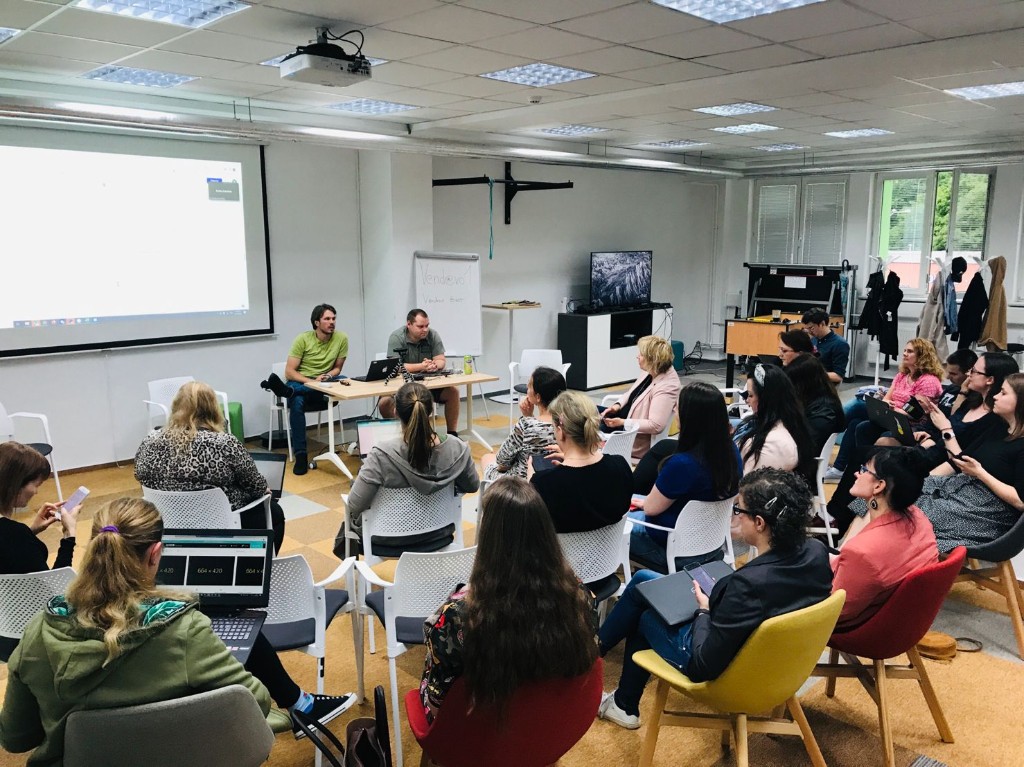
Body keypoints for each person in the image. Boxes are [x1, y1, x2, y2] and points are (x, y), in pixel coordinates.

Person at [0, 498, 354, 765]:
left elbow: (15, 738)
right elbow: (256, 701)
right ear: (156, 554)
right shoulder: (186, 630)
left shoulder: (38, 632)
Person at [596, 468, 833, 729]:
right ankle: (598, 657)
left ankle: (618, 695)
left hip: (731, 669)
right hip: (781, 663)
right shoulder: (816, 551)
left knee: (645, 612)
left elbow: (702, 666)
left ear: (759, 523)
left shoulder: (748, 584)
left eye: (738, 511)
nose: (735, 517)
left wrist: (704, 611)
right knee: (644, 582)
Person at [419, 477, 598, 724]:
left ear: (489, 535)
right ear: (545, 531)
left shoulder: (456, 616)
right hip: (549, 725)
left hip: (479, 736)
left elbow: (439, 700)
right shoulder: (579, 597)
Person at [135, 381, 286, 552]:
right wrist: (264, 490)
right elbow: (256, 486)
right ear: (213, 409)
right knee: (275, 511)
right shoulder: (224, 443)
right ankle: (261, 570)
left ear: (176, 408)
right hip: (224, 523)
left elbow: (139, 475)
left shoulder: (150, 440)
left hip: (169, 521)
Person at [335, 381, 479, 552]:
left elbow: (354, 504)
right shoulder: (457, 448)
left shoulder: (381, 454)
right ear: (431, 411)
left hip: (387, 538)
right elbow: (472, 485)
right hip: (439, 533)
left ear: (395, 412)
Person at [628, 383, 742, 573]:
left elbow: (651, 508)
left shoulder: (682, 464)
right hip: (711, 543)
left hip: (672, 546)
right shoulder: (731, 452)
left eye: (678, 407)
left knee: (608, 526)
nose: (674, 410)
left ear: (691, 418)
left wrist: (643, 502)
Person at [910, 372, 1024, 552]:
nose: (995, 396)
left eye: (1003, 393)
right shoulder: (999, 427)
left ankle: (870, 564)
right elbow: (959, 460)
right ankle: (858, 559)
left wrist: (980, 473)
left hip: (988, 512)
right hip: (962, 490)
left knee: (899, 507)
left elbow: (1020, 501)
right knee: (890, 487)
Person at [831, 448, 938, 632]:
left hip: (855, 626)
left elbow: (834, 612)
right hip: (897, 621)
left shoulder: (863, 552)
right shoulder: (918, 518)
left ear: (879, 486)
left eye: (864, 470)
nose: (857, 473)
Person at [826, 338, 943, 482]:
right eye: (905, 350)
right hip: (892, 417)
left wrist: (896, 409)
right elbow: (887, 398)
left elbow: (918, 413)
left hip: (912, 425)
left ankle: (831, 429)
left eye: (910, 351)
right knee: (858, 425)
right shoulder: (902, 376)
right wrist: (888, 405)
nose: (905, 354)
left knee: (858, 407)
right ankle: (848, 467)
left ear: (922, 355)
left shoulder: (928, 381)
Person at [261, 303, 349, 475]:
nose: (332, 322)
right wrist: (311, 382)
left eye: (334, 318)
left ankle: (287, 392)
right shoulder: (302, 339)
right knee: (297, 402)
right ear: (316, 322)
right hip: (302, 381)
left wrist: (328, 376)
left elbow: (338, 368)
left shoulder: (342, 338)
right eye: (327, 319)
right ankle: (301, 455)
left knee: (344, 380)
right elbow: (289, 372)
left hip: (325, 382)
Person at [530, 390, 633, 534]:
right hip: (607, 554)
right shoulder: (620, 466)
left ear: (560, 430)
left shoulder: (543, 483)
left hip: (559, 556)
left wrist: (529, 478)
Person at [0, 442, 80, 575]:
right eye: (37, 485)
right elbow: (53, 590)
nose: (36, 492)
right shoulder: (16, 535)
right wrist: (69, 535)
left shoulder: (16, 536)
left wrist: (31, 532)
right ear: (16, 485)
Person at [599, 336, 681, 462]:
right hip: (621, 418)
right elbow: (631, 393)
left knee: (582, 425)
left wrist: (622, 422)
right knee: (582, 411)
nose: (637, 357)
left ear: (652, 360)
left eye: (641, 354)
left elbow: (655, 425)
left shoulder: (667, 386)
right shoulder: (651, 371)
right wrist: (616, 406)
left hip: (629, 435)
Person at [380, 309, 460, 436]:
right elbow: (395, 366)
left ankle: (452, 433)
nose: (425, 329)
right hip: (402, 386)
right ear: (409, 324)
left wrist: (434, 365)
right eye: (420, 326)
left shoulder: (433, 335)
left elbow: (440, 359)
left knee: (453, 392)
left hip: (428, 385)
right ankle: (402, 435)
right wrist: (421, 366)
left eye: (427, 325)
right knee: (384, 403)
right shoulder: (397, 337)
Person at [734, 364, 816, 483]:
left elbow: (749, 489)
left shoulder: (773, 444)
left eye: (750, 395)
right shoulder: (788, 421)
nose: (747, 400)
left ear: (766, 399)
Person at [481, 366, 565, 481]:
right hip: (557, 478)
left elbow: (502, 463)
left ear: (538, 397)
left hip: (522, 485)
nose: (526, 387)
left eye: (529, 385)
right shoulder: (570, 422)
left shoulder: (525, 425)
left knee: (487, 458)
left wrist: (527, 419)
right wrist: (529, 416)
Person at [784, 353, 845, 454]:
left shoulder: (825, 411)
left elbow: (806, 444)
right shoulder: (811, 400)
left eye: (792, 384)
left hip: (803, 461)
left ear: (803, 384)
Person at [802, 308, 850, 384]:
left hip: (826, 387)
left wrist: (812, 374)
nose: (809, 332)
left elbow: (838, 376)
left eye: (811, 328)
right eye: (806, 329)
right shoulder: (813, 340)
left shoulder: (840, 344)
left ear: (822, 324)